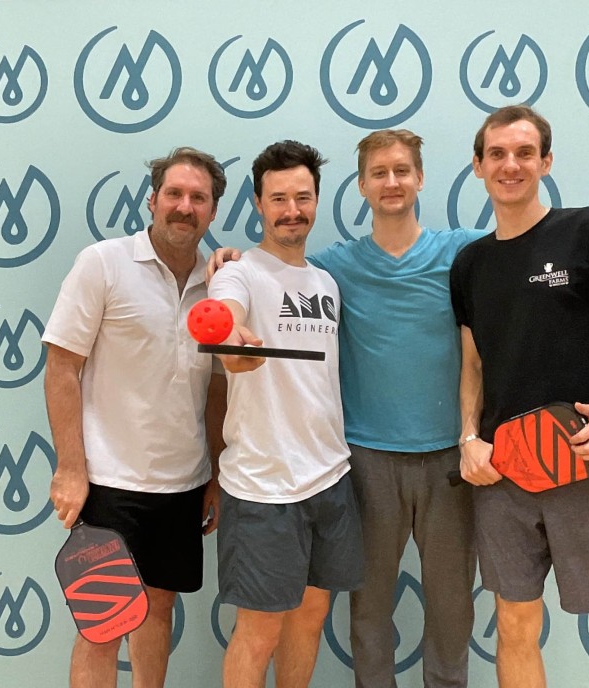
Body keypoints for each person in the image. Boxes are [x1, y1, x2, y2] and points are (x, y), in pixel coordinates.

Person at [208, 131, 589, 688]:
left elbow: (540, 235)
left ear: (421, 178)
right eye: (379, 172)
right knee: (370, 615)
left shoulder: (466, 253)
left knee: (452, 614)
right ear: (362, 185)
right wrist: (228, 259)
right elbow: (265, 273)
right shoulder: (330, 270)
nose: (392, 181)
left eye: (403, 170)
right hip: (366, 461)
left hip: (452, 462)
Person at [449, 104, 589, 688]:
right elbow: (473, 362)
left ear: (546, 161)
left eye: (525, 153)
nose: (511, 165)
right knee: (515, 624)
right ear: (477, 166)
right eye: (496, 154)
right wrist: (470, 437)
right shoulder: (469, 263)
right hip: (505, 479)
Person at [43, 147, 228, 688]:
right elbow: (60, 369)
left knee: (158, 611)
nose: (184, 206)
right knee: (101, 625)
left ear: (213, 212)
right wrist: (71, 469)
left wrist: (215, 474)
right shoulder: (103, 263)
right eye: (174, 193)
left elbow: (216, 387)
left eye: (198, 198)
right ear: (152, 200)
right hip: (107, 481)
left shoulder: (219, 284)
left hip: (182, 482)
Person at [207, 140, 364, 688]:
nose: (291, 209)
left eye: (302, 197)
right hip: (263, 489)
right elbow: (224, 319)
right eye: (278, 198)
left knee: (311, 617)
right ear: (257, 203)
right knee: (258, 633)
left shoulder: (326, 283)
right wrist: (230, 338)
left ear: (317, 200)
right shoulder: (239, 273)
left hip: (330, 478)